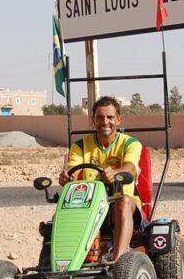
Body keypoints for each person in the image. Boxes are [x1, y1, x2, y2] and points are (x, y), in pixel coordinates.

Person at [58, 95, 142, 260]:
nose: (105, 122)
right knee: (61, 210)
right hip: (89, 206)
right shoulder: (80, 146)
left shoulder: (130, 143)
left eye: (110, 117)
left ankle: (119, 261)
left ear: (118, 120)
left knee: (123, 202)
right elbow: (73, 171)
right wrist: (68, 178)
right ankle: (61, 263)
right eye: (100, 117)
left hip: (120, 205)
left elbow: (130, 167)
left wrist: (116, 173)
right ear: (94, 120)